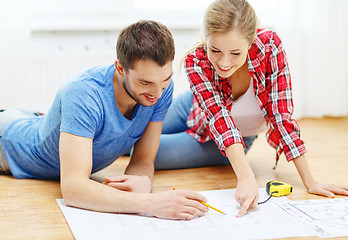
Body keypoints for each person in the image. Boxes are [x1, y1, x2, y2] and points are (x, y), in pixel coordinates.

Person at [154, 0, 348, 217]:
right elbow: (218, 115)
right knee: (131, 132)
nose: (224, 62)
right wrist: (246, 177)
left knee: (142, 150)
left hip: (222, 139)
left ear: (251, 40)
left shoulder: (270, 48)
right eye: (215, 50)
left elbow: (280, 116)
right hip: (192, 108)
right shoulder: (196, 60)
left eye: (235, 53)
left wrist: (310, 181)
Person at [0, 20, 208, 220]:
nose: (157, 94)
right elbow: (73, 188)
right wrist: (151, 203)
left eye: (164, 81)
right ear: (120, 68)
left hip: (34, 122)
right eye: (145, 82)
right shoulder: (84, 94)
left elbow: (143, 160)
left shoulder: (159, 90)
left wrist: (143, 182)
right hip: (8, 143)